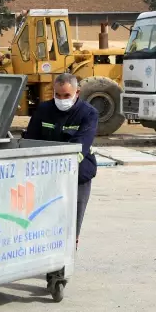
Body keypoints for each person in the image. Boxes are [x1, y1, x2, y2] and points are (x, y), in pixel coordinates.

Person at [22, 73, 98, 250]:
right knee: (45, 221)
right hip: (45, 176)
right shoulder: (43, 110)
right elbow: (31, 140)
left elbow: (80, 147)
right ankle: (46, 258)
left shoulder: (88, 114)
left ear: (77, 93)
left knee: (72, 223)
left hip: (78, 175)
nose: (61, 99)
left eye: (66, 96)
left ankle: (65, 262)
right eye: (58, 95)